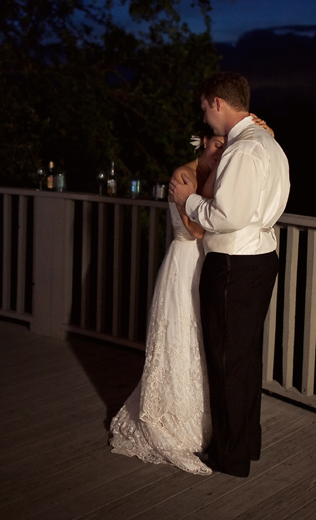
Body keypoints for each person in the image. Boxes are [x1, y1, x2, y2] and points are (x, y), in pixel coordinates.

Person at [168, 72, 290, 478]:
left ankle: (229, 456)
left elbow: (225, 215)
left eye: (204, 108)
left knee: (226, 361)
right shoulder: (269, 145)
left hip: (235, 263)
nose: (204, 119)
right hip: (261, 257)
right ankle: (245, 443)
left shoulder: (243, 150)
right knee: (244, 358)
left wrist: (190, 202)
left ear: (218, 102)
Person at [108, 128, 226, 475]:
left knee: (199, 343)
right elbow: (195, 230)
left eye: (226, 146)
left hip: (204, 264)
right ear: (204, 141)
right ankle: (172, 423)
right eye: (218, 145)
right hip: (184, 263)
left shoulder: (209, 175)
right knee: (178, 339)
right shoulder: (183, 175)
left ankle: (199, 420)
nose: (222, 151)